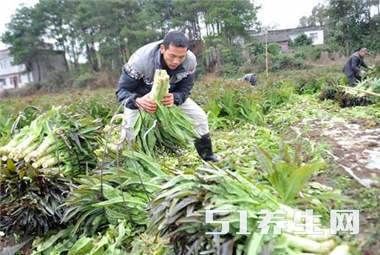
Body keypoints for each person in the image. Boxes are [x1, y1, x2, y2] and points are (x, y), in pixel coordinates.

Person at [116, 31, 219, 162]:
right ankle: (129, 163)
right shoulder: (140, 61)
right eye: (172, 56)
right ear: (163, 49)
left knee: (200, 117)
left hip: (169, 95)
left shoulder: (190, 61)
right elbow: (122, 91)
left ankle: (208, 157)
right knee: (129, 133)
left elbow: (186, 88)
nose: (176, 61)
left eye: (181, 57)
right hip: (141, 97)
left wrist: (176, 98)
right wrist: (137, 101)